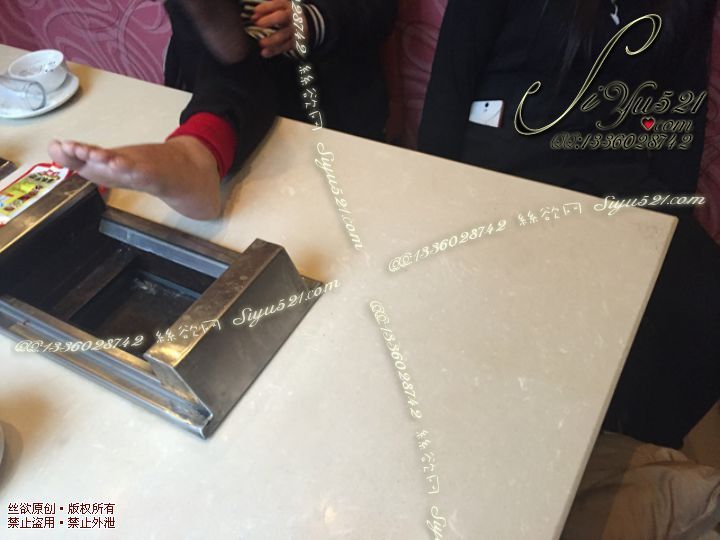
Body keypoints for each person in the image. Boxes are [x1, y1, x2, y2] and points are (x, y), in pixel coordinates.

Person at [419, 0, 719, 449]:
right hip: (504, 170)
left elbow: (681, 115)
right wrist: (435, 213)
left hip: (617, 177)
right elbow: (449, 90)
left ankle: (619, 449)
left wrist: (664, 229)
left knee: (700, 310)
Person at [48, 0, 397, 220]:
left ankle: (195, 153)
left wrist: (312, 19)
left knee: (235, 64)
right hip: (223, 72)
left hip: (325, 97)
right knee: (230, 67)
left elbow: (378, 10)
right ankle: (192, 156)